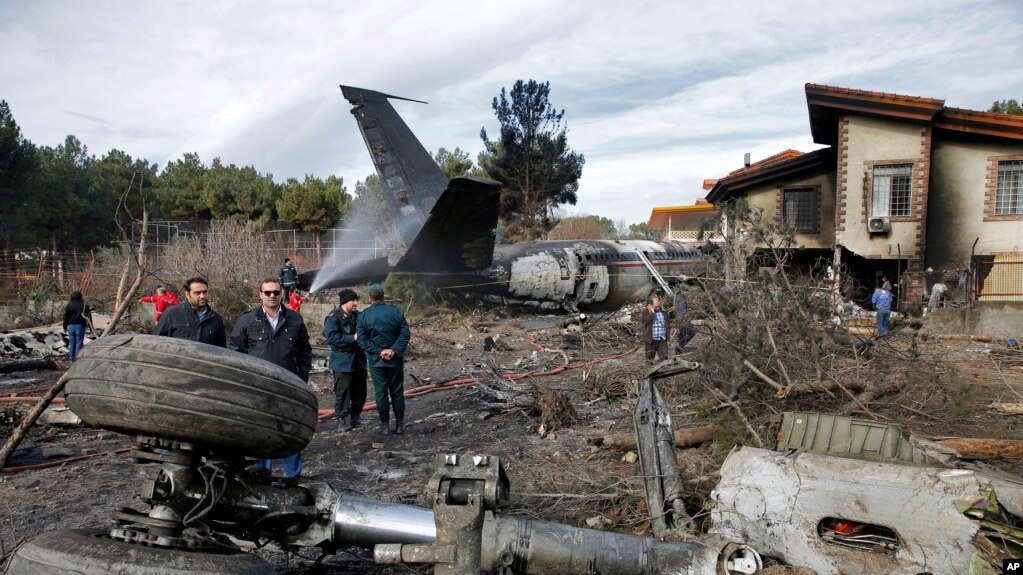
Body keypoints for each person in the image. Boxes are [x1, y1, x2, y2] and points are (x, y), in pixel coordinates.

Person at [230, 278, 312, 477]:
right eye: (267, 293)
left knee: (290, 431)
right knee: (259, 431)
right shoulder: (247, 320)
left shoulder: (294, 319)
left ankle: (292, 476)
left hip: (289, 386)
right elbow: (235, 351)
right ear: (260, 295)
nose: (272, 296)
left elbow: (304, 352)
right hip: (258, 386)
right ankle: (261, 474)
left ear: (282, 294)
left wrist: (301, 378)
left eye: (276, 292)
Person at [357, 284, 411, 435]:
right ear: (383, 296)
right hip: (395, 360)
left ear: (370, 298)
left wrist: (379, 351)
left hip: (377, 361)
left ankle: (385, 426)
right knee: (397, 391)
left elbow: (362, 339)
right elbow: (405, 334)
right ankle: (400, 425)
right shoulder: (396, 312)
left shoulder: (364, 315)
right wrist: (393, 350)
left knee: (381, 393)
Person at [323, 289, 367, 432]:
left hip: (358, 360)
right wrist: (352, 338)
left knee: (360, 392)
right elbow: (332, 338)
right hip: (342, 361)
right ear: (344, 302)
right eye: (352, 300)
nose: (356, 303)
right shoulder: (333, 318)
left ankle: (356, 417)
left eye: (356, 300)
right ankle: (341, 419)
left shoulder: (359, 316)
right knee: (343, 392)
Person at [153, 277, 227, 347]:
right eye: (197, 293)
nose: (202, 296)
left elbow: (221, 350)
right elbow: (157, 343)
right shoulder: (172, 314)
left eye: (204, 292)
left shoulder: (216, 319)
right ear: (187, 294)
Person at [62, 291, 92, 361]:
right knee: (79, 343)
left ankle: (73, 360)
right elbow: (89, 318)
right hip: (80, 326)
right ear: (80, 297)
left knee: (72, 344)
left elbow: (66, 317)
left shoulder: (69, 306)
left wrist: (65, 327)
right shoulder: (85, 306)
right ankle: (78, 360)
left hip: (71, 327)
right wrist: (91, 328)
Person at [641, 294, 670, 363]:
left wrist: (668, 335)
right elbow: (645, 323)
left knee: (665, 360)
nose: (657, 307)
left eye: (658, 305)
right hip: (651, 341)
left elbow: (667, 323)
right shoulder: (645, 311)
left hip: (662, 340)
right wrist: (652, 314)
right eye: (655, 306)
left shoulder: (663, 311)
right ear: (651, 305)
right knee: (649, 361)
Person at [672, 289, 695, 353]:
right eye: (686, 291)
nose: (687, 292)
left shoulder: (678, 297)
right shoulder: (681, 298)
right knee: (691, 333)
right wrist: (686, 315)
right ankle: (679, 345)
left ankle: (678, 349)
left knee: (682, 333)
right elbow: (682, 309)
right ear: (682, 291)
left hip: (679, 318)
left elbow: (677, 309)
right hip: (683, 319)